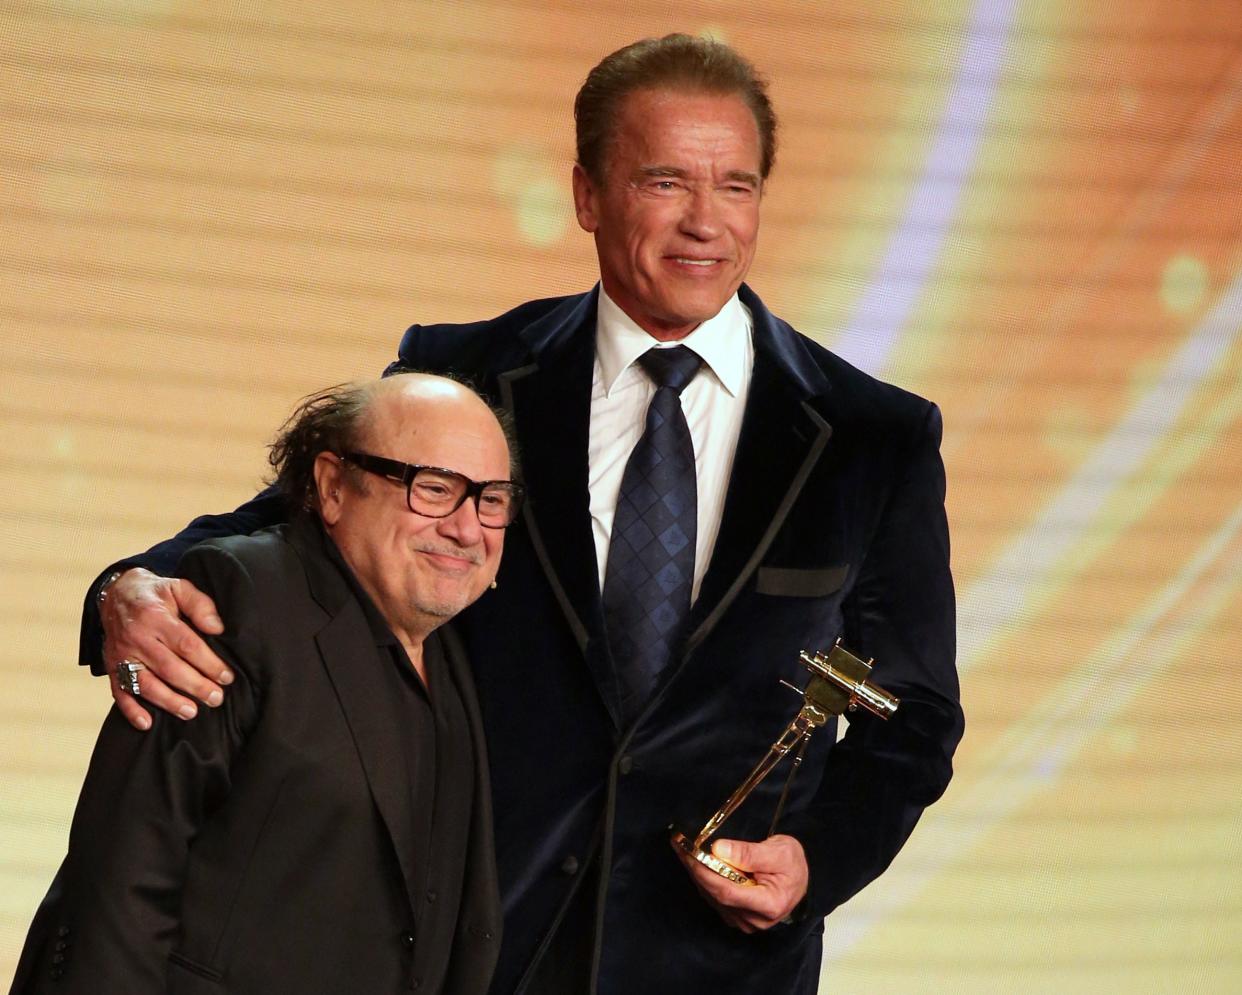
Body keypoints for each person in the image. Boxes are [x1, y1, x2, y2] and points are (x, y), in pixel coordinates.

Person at [73, 34, 964, 995]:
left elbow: (912, 720)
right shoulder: (469, 373)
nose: (706, 222)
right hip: (466, 948)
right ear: (587, 194)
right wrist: (126, 589)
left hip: (719, 967)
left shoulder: (874, 437)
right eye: (666, 181)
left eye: (737, 186)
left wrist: (815, 861)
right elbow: (290, 523)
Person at [15, 374, 516, 994]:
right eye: (434, 489)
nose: (467, 529)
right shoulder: (236, 599)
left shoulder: (453, 654)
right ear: (332, 486)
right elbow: (122, 880)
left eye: (491, 500)